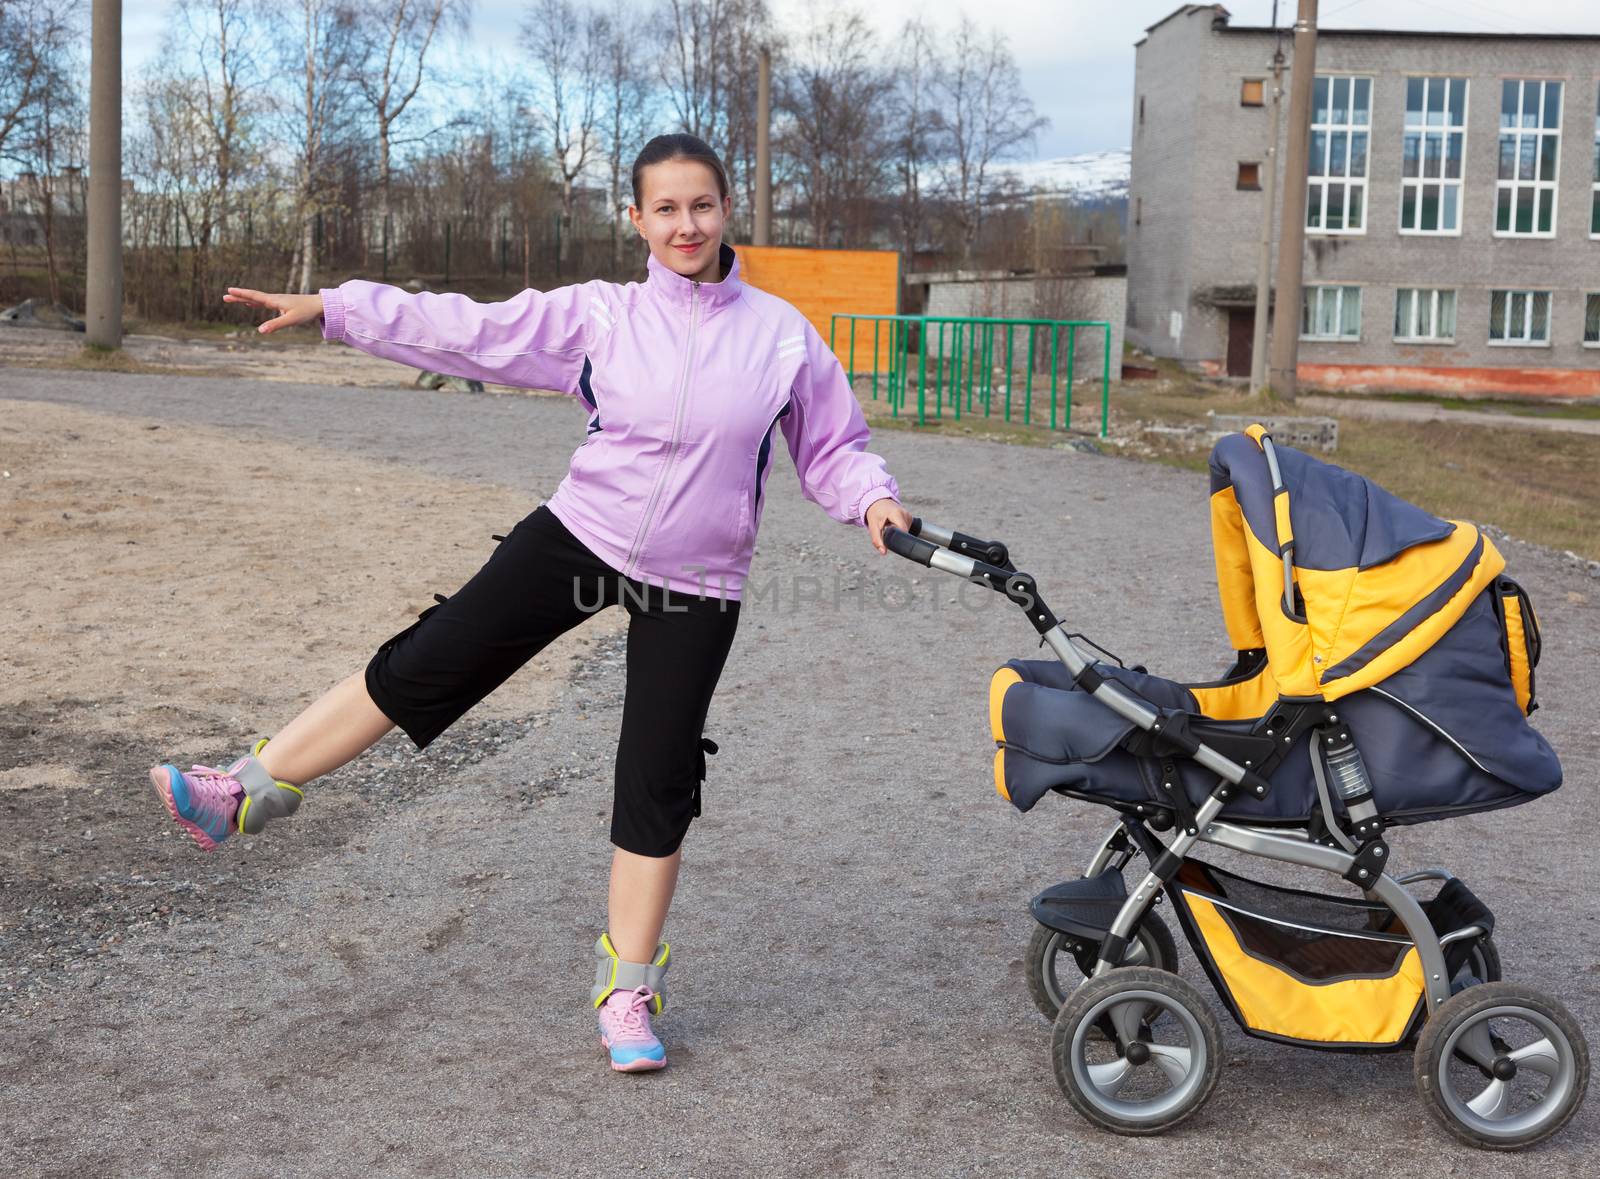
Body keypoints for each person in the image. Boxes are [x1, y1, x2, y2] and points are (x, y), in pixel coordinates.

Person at [146, 132, 913, 1073]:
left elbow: (834, 447)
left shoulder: (781, 335)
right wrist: (337, 307)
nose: (686, 224)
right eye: (665, 208)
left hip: (696, 578)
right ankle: (244, 791)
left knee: (659, 770)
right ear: (636, 220)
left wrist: (872, 500)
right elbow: (469, 329)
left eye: (702, 206)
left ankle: (627, 988)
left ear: (726, 212)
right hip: (581, 535)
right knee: (430, 655)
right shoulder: (603, 316)